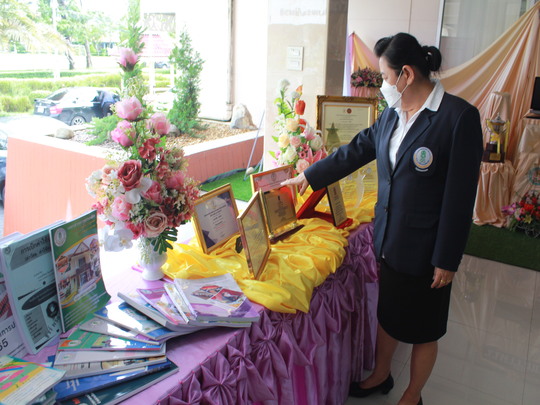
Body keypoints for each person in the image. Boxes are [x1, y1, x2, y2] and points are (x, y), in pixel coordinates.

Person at [283, 33, 483, 405]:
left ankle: (412, 395)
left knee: (424, 330)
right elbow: (358, 149)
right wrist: (309, 176)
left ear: (406, 74)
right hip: (390, 241)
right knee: (388, 314)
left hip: (428, 251)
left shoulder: (457, 118)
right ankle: (380, 374)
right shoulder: (393, 113)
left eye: (386, 77)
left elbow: (460, 197)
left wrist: (447, 258)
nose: (383, 86)